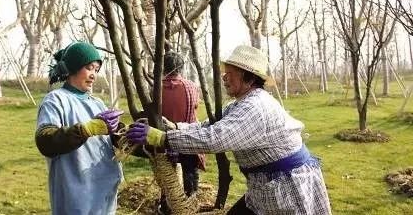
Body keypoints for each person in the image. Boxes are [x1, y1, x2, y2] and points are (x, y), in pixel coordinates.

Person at [126, 45, 332, 215]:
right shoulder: (241, 104)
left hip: (287, 188)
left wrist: (163, 138)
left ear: (249, 78)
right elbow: (209, 125)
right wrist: (175, 127)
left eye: (230, 74)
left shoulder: (255, 107)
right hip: (266, 186)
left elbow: (215, 139)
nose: (224, 77)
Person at [35, 41, 124, 215]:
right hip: (76, 192)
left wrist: (127, 135)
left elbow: (111, 137)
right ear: (74, 68)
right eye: (89, 68)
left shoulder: (97, 103)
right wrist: (85, 130)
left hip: (104, 190)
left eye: (96, 70)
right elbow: (45, 140)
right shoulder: (56, 100)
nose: (94, 75)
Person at [158, 51, 206, 214]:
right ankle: (189, 204)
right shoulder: (191, 87)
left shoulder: (156, 88)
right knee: (190, 173)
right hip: (187, 136)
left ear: (164, 68)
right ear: (181, 68)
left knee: (167, 176)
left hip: (163, 138)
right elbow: (194, 109)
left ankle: (165, 206)